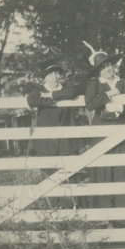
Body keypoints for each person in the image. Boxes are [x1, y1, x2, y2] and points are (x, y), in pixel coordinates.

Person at [83, 42, 125, 211]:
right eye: (103, 67)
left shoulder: (123, 83)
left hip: (121, 129)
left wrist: (122, 107)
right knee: (103, 170)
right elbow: (90, 104)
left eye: (109, 65)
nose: (108, 69)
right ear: (97, 71)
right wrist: (107, 95)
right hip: (101, 132)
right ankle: (106, 216)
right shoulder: (94, 85)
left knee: (124, 169)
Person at [27, 58, 87, 208]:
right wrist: (48, 98)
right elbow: (31, 100)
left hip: (67, 143)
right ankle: (53, 213)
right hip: (46, 144)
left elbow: (72, 92)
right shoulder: (39, 91)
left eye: (57, 73)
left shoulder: (67, 87)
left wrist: (51, 96)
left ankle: (75, 211)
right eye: (50, 74)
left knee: (72, 175)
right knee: (49, 178)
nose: (54, 77)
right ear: (45, 77)